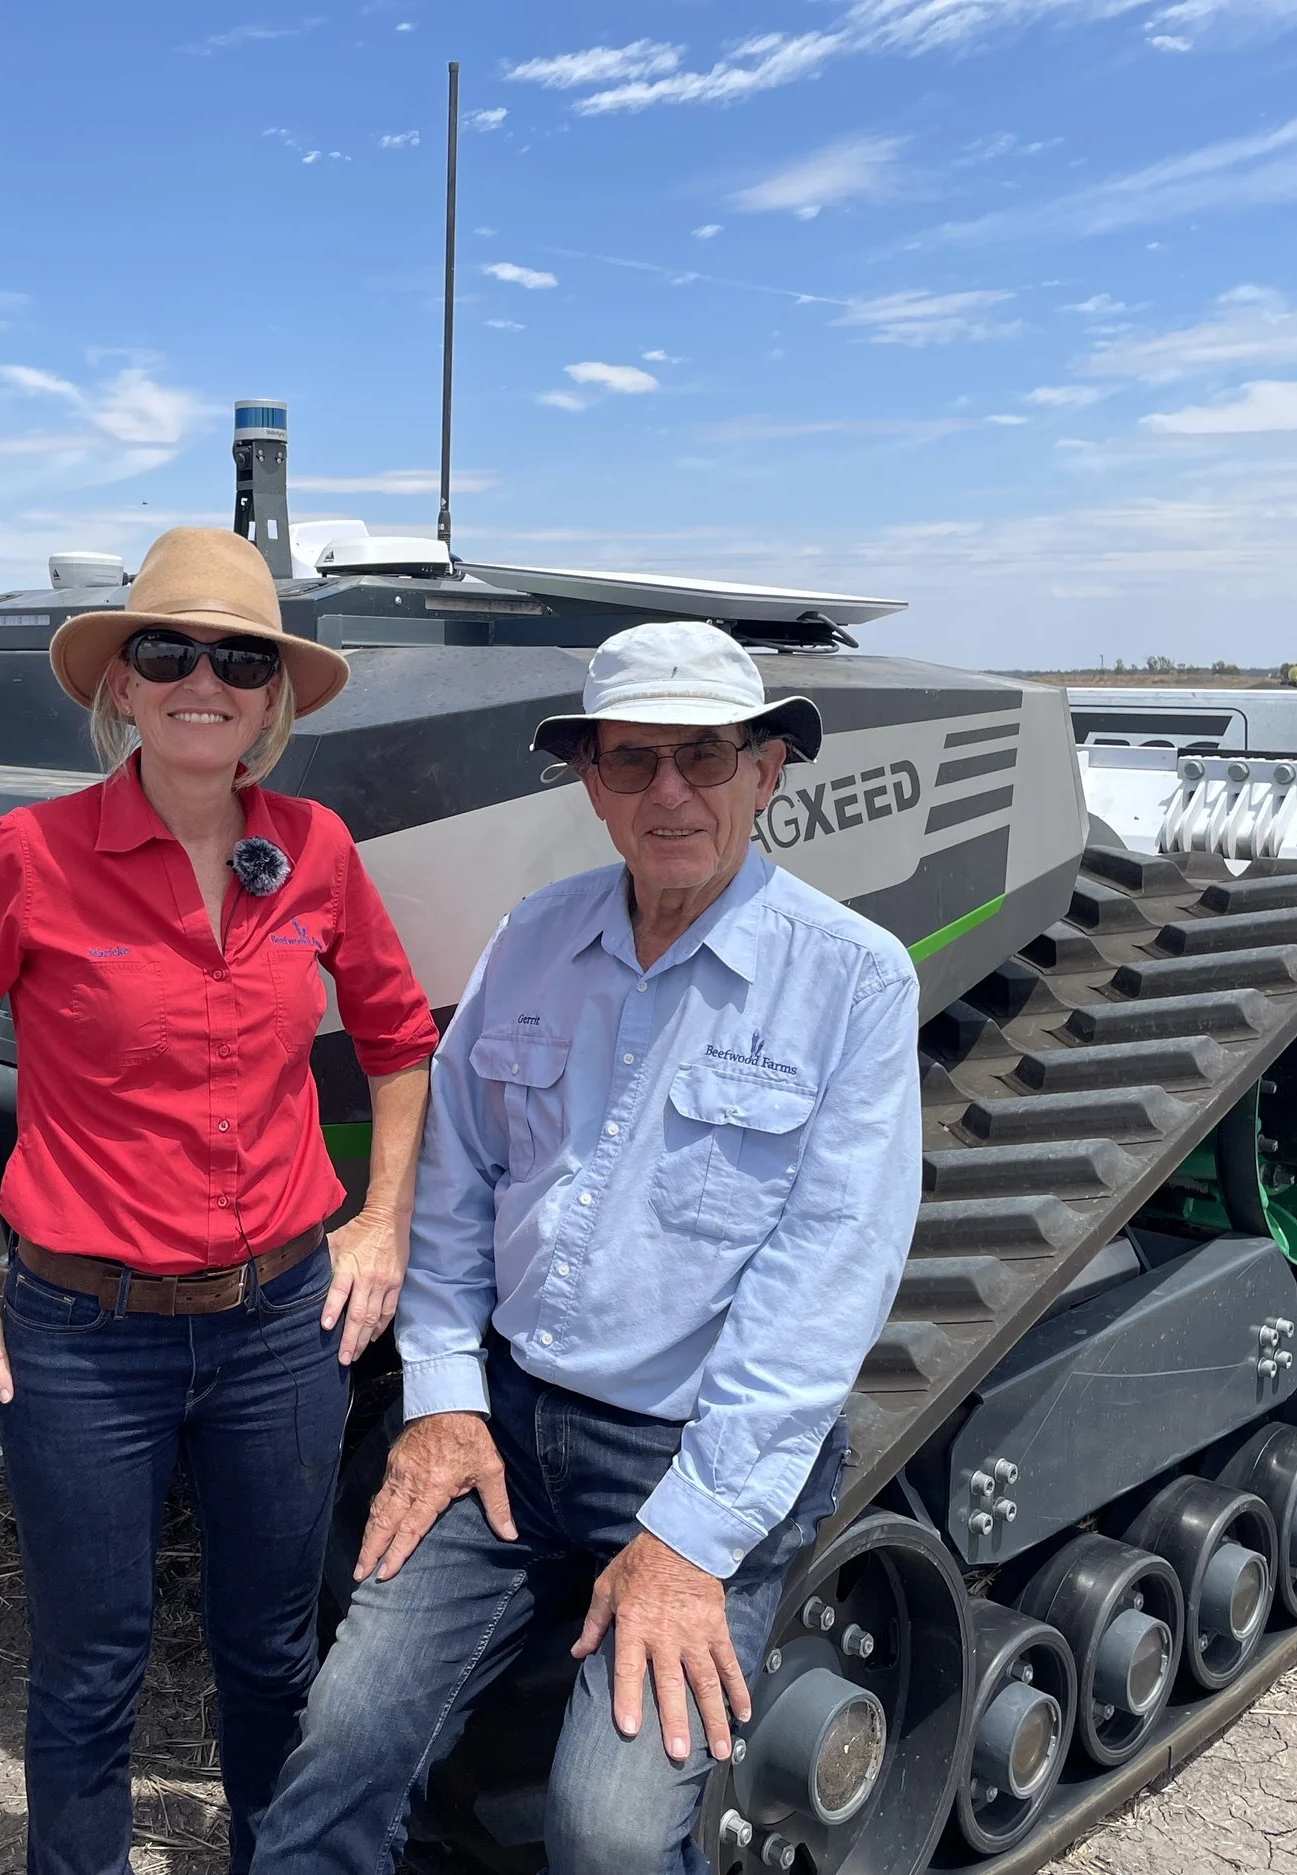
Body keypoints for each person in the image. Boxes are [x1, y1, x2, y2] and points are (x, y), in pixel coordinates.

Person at [251, 619, 923, 1874]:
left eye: (704, 755)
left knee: (606, 1834)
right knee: (339, 1744)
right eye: (631, 760)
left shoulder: (851, 981)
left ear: (766, 770)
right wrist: (442, 1398)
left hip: (689, 1453)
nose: (669, 793)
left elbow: (827, 1282)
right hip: (504, 1428)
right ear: (591, 783)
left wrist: (688, 1540)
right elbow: (454, 1181)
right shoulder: (532, 939)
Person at [0, 526, 438, 1875]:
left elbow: (401, 1040)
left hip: (281, 1327)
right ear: (120, 683)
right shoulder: (31, 855)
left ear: (273, 696)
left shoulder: (316, 849)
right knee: (90, 1665)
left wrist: (382, 1223)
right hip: (83, 1338)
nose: (202, 682)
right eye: (167, 652)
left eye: (240, 659)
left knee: (273, 1652)